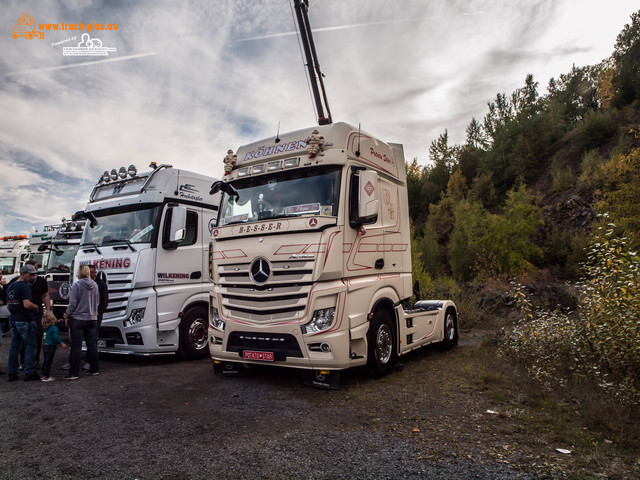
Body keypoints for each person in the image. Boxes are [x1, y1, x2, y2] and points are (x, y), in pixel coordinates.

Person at [64, 265, 99, 380]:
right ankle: (94, 369)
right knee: (92, 345)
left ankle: (74, 372)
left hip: (78, 318)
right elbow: (97, 301)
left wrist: (67, 314)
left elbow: (72, 303)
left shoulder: (77, 285)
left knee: (76, 346)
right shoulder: (95, 285)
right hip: (92, 318)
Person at [6, 264, 40, 381]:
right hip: (25, 319)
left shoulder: (11, 286)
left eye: (34, 274)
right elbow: (26, 304)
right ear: (23, 273)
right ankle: (30, 372)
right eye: (31, 275)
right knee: (30, 346)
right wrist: (35, 306)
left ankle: (12, 372)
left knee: (14, 346)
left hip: (14, 319)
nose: (33, 277)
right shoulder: (24, 287)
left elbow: (8, 305)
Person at [41, 311, 67, 382]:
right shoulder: (54, 328)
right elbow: (56, 337)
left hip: (45, 345)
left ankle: (43, 374)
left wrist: (58, 321)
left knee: (46, 361)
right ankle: (46, 376)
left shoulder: (47, 328)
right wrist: (62, 343)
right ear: (52, 320)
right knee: (49, 362)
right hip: (51, 346)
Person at [0, 272, 9, 375]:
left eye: (1, 274)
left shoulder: (2, 286)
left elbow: (6, 297)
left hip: (3, 318)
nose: (0, 276)